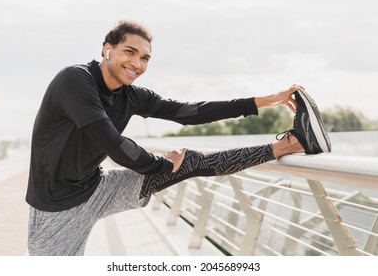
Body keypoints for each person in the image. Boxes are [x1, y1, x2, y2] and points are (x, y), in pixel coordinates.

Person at [25, 20, 331, 256]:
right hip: (55, 207)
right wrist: (162, 164)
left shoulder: (133, 96)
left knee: (192, 161)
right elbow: (114, 145)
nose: (137, 63)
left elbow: (190, 112)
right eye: (129, 52)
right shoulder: (75, 80)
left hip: (96, 187)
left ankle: (294, 143)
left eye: (145, 58)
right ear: (108, 49)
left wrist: (263, 101)